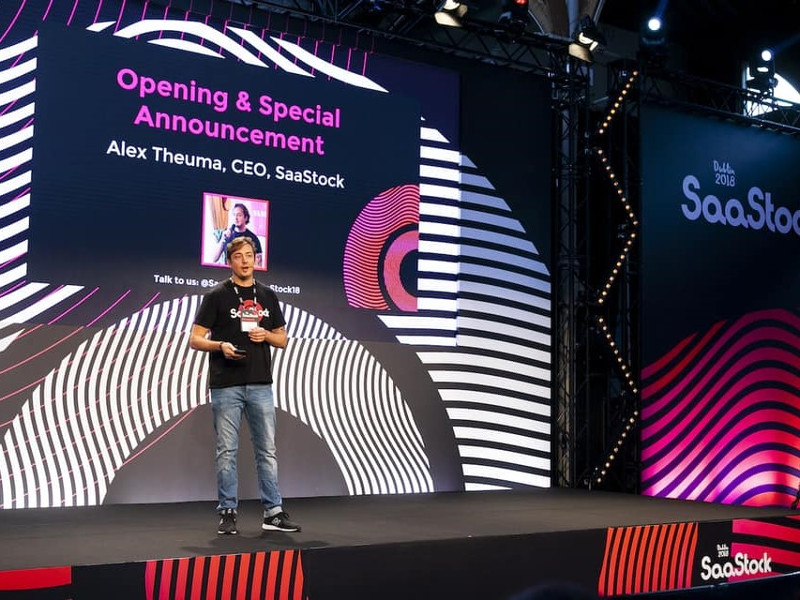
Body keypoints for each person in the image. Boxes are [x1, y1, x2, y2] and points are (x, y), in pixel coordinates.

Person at [190, 236, 299, 535]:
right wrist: (220, 346)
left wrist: (266, 335)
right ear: (230, 261)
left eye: (250, 255)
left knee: (267, 450)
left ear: (256, 259)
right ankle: (228, 512)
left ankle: (273, 513)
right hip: (226, 385)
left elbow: (283, 339)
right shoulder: (216, 296)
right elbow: (195, 339)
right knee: (227, 451)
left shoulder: (267, 295)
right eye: (239, 256)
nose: (246, 260)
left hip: (261, 384)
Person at [213, 203, 264, 268]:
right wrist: (222, 239)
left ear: (246, 218)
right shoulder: (227, 235)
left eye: (239, 215)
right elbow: (214, 259)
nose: (236, 218)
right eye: (234, 215)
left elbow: (259, 264)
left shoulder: (253, 238)